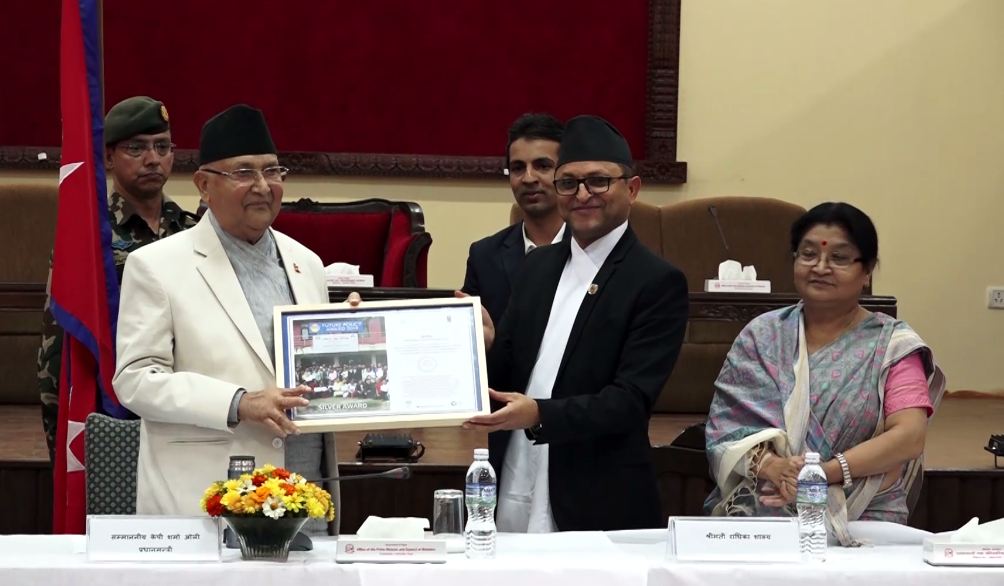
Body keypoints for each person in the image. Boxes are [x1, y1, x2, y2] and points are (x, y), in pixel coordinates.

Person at [113, 104, 339, 530]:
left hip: (304, 496)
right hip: (207, 500)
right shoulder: (157, 266)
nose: (262, 186)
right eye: (244, 173)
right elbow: (136, 380)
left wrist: (356, 334)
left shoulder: (306, 263)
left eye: (272, 171)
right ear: (204, 185)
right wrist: (238, 403)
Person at [465, 115, 689, 532]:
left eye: (598, 181)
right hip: (517, 468)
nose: (583, 194)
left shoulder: (656, 281)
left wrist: (539, 414)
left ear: (632, 189)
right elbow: (508, 376)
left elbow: (629, 401)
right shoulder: (538, 266)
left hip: (597, 493)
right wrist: (488, 345)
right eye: (568, 183)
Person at [704, 202, 946, 544]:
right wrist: (773, 467)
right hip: (765, 510)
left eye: (839, 258)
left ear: (867, 271)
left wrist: (821, 475)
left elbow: (909, 435)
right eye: (808, 254)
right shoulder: (762, 336)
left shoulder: (893, 345)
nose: (820, 267)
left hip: (863, 516)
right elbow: (726, 427)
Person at [38, 96, 196, 462]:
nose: (153, 159)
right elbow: (58, 349)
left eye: (162, 147)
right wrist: (62, 448)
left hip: (185, 408)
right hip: (112, 408)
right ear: (108, 158)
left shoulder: (193, 231)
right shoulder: (88, 240)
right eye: (136, 148)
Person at [462, 113, 569, 325]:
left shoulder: (592, 250)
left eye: (542, 166)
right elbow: (474, 334)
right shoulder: (484, 256)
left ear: (566, 173)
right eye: (518, 168)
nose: (528, 178)